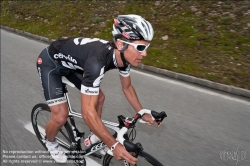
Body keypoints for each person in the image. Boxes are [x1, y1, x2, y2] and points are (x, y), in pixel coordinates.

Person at [36, 14, 159, 164]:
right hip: (50, 64)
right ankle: (50, 142)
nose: (144, 53)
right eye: (140, 47)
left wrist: (142, 112)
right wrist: (113, 145)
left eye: (146, 47)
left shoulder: (124, 58)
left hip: (74, 64)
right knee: (61, 116)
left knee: (99, 97)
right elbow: (87, 113)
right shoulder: (97, 64)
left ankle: (92, 136)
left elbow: (126, 87)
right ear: (120, 44)